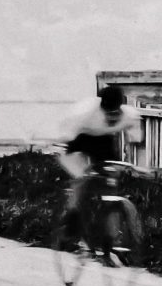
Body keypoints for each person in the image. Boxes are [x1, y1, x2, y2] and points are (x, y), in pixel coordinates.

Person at [57, 83, 138, 232]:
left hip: (104, 141)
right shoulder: (84, 112)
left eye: (115, 113)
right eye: (108, 113)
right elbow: (67, 136)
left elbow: (137, 139)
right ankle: (72, 217)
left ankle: (109, 210)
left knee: (111, 174)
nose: (111, 117)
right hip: (80, 139)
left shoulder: (129, 115)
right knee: (82, 178)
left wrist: (137, 166)